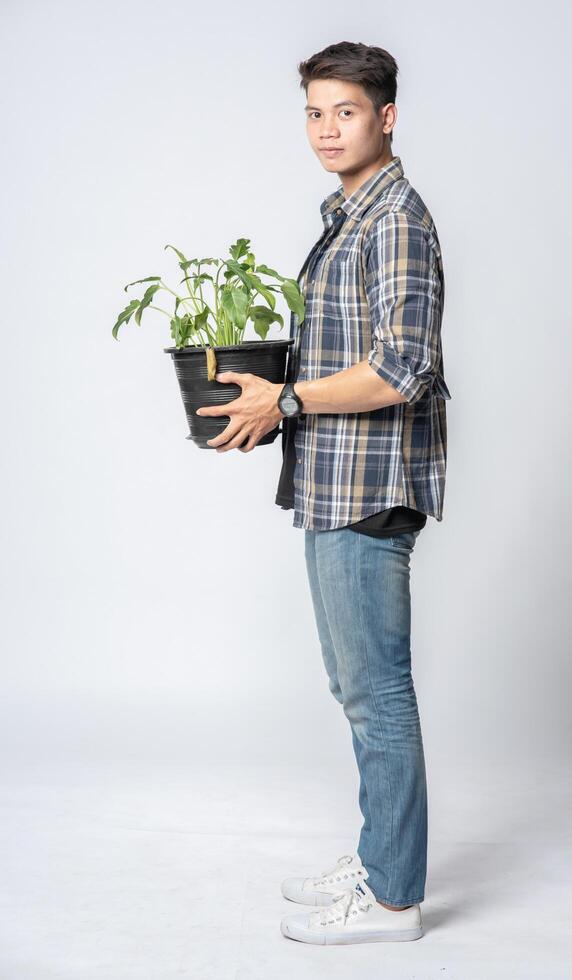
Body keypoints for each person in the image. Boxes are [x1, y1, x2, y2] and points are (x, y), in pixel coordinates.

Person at [196, 40, 451, 945]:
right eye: (314, 111)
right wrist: (269, 391)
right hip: (331, 475)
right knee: (354, 683)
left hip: (371, 481)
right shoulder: (349, 216)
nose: (327, 128)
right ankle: (383, 853)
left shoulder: (396, 221)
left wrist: (289, 396)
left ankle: (392, 900)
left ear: (386, 116)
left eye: (345, 111)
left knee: (377, 690)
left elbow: (402, 367)